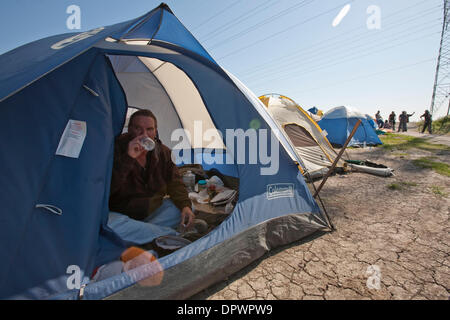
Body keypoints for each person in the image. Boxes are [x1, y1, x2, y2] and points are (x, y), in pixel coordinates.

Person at [109, 109, 195, 230]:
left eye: (149, 129)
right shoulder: (114, 149)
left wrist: (185, 206)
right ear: (129, 130)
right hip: (123, 214)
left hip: (153, 212)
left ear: (155, 131)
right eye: (138, 128)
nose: (144, 134)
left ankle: (146, 232)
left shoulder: (163, 152)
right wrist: (128, 158)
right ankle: (166, 234)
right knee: (111, 224)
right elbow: (107, 188)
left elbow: (175, 183)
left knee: (187, 207)